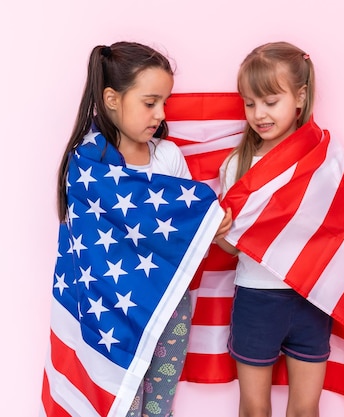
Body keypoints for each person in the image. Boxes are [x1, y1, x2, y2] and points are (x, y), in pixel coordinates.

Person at [51, 41, 230, 417]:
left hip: (167, 306)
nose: (160, 114)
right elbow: (89, 244)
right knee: (119, 403)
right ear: (112, 99)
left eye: (164, 102)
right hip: (109, 311)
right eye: (150, 103)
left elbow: (185, 226)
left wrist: (209, 227)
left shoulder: (167, 157)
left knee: (159, 405)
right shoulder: (87, 164)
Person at [215, 41, 332, 417]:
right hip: (257, 299)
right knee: (253, 407)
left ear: (300, 97)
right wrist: (221, 235)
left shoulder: (323, 159)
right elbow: (234, 248)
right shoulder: (238, 166)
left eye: (270, 101)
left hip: (312, 297)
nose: (259, 114)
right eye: (250, 103)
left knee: (305, 407)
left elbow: (337, 232)